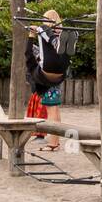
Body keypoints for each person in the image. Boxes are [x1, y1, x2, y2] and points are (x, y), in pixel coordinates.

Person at [26, 10, 77, 152]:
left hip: (46, 76)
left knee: (52, 110)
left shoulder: (43, 31)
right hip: (61, 71)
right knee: (55, 111)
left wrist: (32, 34)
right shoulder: (60, 35)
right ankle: (73, 35)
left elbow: (28, 55)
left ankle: (53, 144)